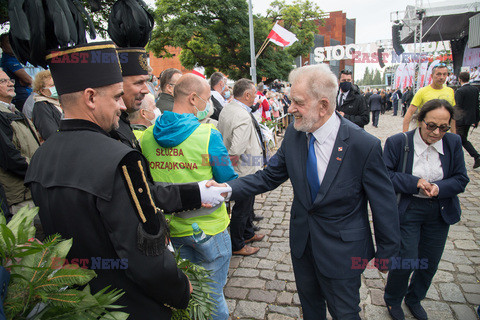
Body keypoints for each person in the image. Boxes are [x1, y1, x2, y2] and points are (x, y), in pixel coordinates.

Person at [24, 42, 226, 320]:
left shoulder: (41, 157)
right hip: (129, 304)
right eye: (117, 96)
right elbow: (142, 253)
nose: (122, 106)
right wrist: (179, 288)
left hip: (79, 301)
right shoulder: (119, 158)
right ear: (91, 97)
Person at [212, 65, 400, 319]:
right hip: (303, 245)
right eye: (290, 101)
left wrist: (387, 252)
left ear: (323, 105)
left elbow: (384, 203)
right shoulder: (295, 133)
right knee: (311, 311)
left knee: (345, 313)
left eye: (297, 102)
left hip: (343, 252)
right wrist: (226, 189)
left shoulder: (363, 145)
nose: (290, 109)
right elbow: (269, 176)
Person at [140, 73, 237, 320]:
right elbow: (228, 180)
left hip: (171, 231)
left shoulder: (147, 136)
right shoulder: (208, 135)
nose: (209, 105)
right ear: (193, 99)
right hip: (210, 229)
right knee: (213, 296)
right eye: (206, 99)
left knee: (189, 294)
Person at [383, 99, 469, 320]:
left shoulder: (453, 143)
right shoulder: (398, 142)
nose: (437, 132)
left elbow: (461, 178)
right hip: (408, 208)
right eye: (431, 125)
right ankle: (393, 300)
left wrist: (439, 187)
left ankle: (414, 298)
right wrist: (416, 182)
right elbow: (385, 176)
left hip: (439, 210)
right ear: (420, 120)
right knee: (407, 258)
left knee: (430, 260)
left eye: (443, 127)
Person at [218, 79, 267, 256]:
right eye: (254, 94)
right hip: (245, 168)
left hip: (243, 167)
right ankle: (237, 244)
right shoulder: (241, 114)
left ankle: (247, 234)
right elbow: (237, 148)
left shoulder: (229, 107)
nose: (255, 97)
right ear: (246, 95)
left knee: (247, 204)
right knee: (242, 208)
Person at [0, 69, 40, 216]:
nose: (11, 83)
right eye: (3, 81)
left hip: (33, 189)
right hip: (21, 197)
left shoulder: (14, 111)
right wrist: (41, 170)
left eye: (10, 80)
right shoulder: (2, 116)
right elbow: (11, 158)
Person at [110, 47, 151, 151]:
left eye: (146, 82)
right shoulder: (109, 129)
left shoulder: (123, 122)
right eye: (139, 83)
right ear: (118, 84)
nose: (146, 90)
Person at [403, 64, 456, 133]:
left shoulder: (450, 91)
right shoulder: (422, 92)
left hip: (444, 132)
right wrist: (405, 134)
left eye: (444, 74)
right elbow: (409, 113)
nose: (441, 77)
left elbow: (452, 116)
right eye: (438, 74)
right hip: (426, 133)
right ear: (432, 76)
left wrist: (454, 135)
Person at [0, 34, 33, 112]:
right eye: (8, 42)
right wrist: (26, 81)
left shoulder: (15, 57)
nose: (12, 45)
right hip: (20, 98)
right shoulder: (9, 60)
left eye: (13, 42)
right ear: (1, 45)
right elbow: (29, 80)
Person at [455, 72, 480, 169]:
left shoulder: (460, 91)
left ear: (459, 79)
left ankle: (476, 156)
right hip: (470, 119)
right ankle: (476, 156)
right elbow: (477, 105)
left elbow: (457, 106)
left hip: (460, 120)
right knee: (462, 139)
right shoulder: (475, 89)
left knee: (461, 139)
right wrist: (477, 119)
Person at [31, 70, 62, 140]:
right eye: (52, 85)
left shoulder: (61, 102)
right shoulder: (40, 106)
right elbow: (50, 133)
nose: (56, 87)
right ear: (42, 91)